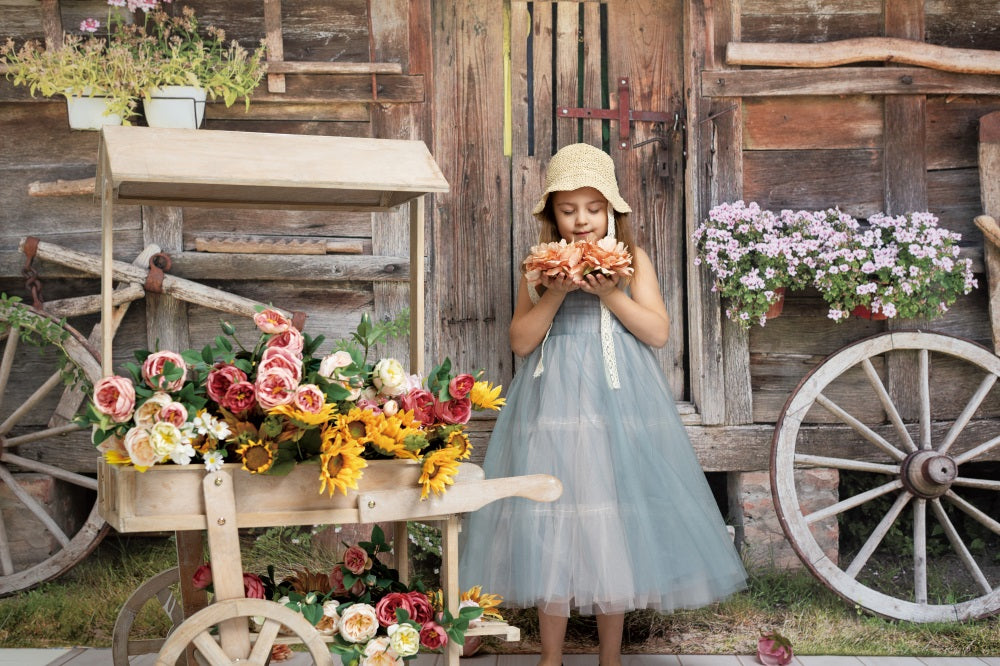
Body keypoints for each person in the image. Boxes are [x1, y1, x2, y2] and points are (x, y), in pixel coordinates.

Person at [458, 143, 748, 666]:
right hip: (553, 410)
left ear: (612, 209)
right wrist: (555, 292)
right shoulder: (536, 267)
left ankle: (610, 656)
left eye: (592, 208)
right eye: (568, 210)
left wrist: (611, 293)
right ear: (552, 215)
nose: (581, 220)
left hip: (618, 405)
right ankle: (551, 656)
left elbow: (657, 332)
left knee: (610, 518)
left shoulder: (634, 261)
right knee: (550, 516)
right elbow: (521, 343)